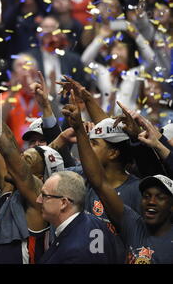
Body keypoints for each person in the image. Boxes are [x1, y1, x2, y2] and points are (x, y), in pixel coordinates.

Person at [63, 94, 173, 263]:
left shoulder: (136, 191)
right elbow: (98, 181)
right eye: (148, 196)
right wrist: (79, 125)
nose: (151, 201)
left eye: (160, 197)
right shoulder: (134, 225)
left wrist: (157, 143)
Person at [36, 170, 122, 263]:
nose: (38, 200)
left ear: (63, 203)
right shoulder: (94, 223)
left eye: (44, 195)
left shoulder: (75, 253)